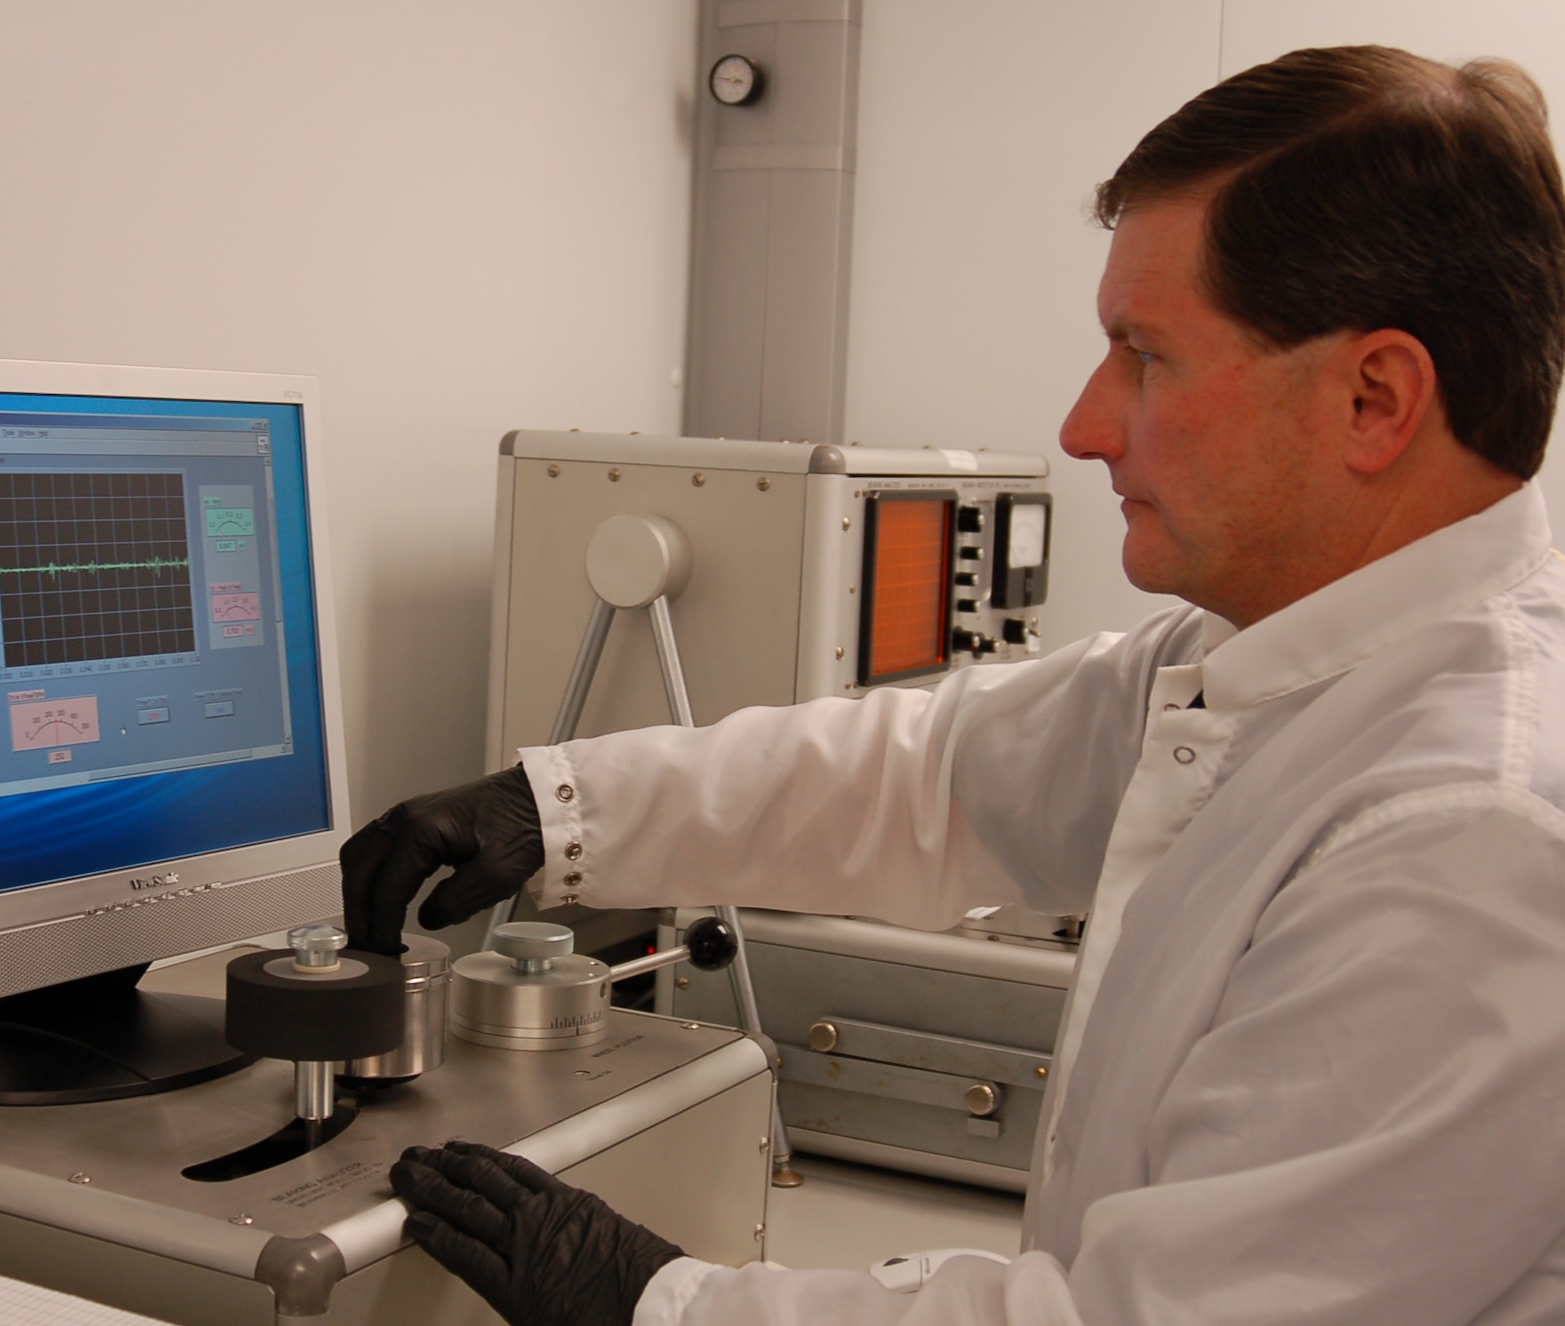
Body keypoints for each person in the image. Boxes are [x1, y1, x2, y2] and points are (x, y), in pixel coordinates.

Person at [347, 45, 1565, 1325]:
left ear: (1373, 398)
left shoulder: (1462, 832)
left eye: (1144, 356)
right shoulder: (1269, 661)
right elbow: (933, 776)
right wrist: (551, 806)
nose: (1084, 426)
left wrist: (660, 1302)